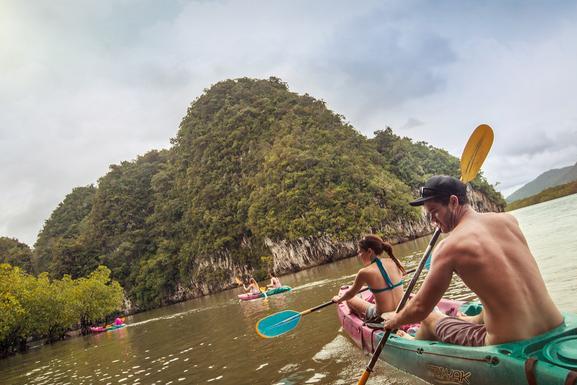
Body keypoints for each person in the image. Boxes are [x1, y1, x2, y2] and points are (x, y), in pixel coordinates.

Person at [382, 175, 563, 346]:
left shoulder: (449, 247)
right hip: (555, 323)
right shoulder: (508, 221)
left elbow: (420, 308)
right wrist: (474, 320)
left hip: (509, 340)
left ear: (453, 202)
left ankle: (415, 346)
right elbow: (506, 293)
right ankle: (473, 320)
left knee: (429, 318)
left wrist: (394, 320)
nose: (432, 220)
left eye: (435, 212)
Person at [332, 235, 406, 323]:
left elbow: (350, 294)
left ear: (369, 251)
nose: (359, 256)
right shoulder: (396, 262)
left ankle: (363, 321)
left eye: (360, 252)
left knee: (349, 300)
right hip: (404, 311)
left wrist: (339, 299)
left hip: (382, 316)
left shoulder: (364, 272)